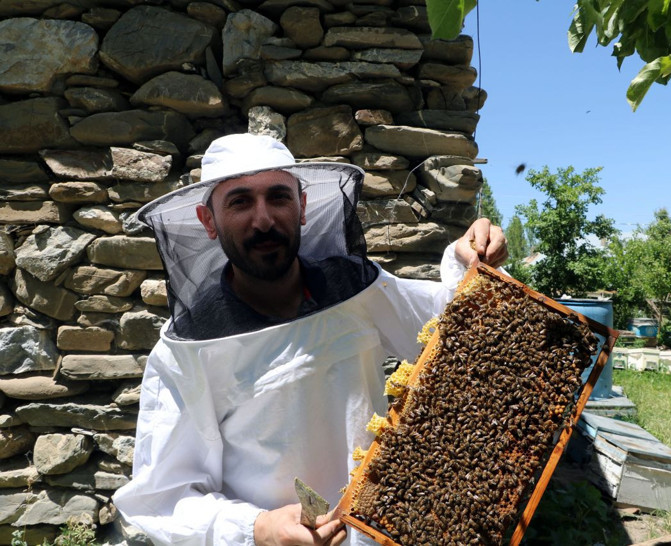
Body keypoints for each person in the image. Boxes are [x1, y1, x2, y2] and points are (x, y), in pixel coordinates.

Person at [112, 133, 507, 546]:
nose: (263, 220)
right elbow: (164, 497)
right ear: (208, 220)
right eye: (240, 201)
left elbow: (455, 330)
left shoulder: (353, 288)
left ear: (301, 208)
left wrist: (471, 260)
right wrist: (257, 529)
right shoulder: (186, 351)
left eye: (278, 198)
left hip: (384, 533)